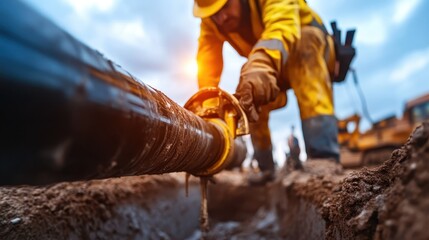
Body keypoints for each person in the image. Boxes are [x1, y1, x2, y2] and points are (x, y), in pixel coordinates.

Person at [193, 0, 340, 183]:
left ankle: (323, 159)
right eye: (214, 13)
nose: (221, 17)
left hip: (307, 50)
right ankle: (266, 168)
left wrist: (261, 64)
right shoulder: (210, 20)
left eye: (225, 7)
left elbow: (282, 25)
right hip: (270, 63)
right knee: (249, 92)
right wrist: (209, 106)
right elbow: (207, 61)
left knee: (305, 44)